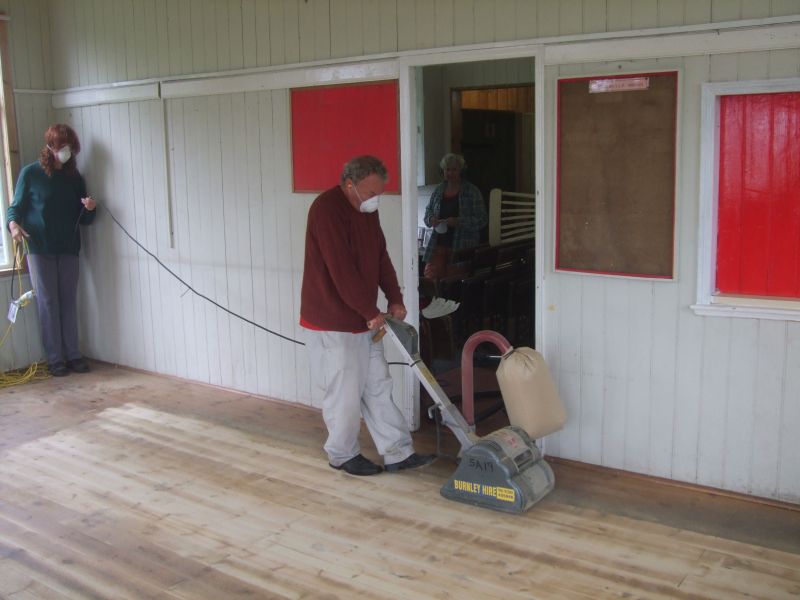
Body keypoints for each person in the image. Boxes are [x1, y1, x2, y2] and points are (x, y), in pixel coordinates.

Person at [300, 155, 434, 476]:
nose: (376, 199)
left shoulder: (366, 211)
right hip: (332, 322)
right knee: (344, 392)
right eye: (372, 193)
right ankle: (342, 454)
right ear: (350, 185)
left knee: (378, 385)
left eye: (380, 193)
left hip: (364, 319)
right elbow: (340, 269)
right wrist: (369, 311)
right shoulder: (326, 210)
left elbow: (380, 256)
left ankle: (398, 452)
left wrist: (395, 298)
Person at [6, 124, 96, 377]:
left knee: (68, 301)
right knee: (47, 302)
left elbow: (85, 219)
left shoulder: (74, 178)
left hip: (68, 247)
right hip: (39, 248)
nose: (67, 152)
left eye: (70, 148)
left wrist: (90, 208)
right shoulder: (31, 174)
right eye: (63, 147)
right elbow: (15, 208)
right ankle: (55, 358)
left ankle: (73, 354)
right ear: (51, 147)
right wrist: (13, 226)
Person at [422, 153, 488, 279]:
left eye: (454, 170)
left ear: (460, 171)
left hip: (462, 246)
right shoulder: (439, 190)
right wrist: (431, 219)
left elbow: (482, 219)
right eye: (447, 169)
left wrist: (459, 221)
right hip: (438, 245)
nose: (450, 173)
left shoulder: (472, 191)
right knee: (431, 279)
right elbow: (428, 212)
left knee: (453, 283)